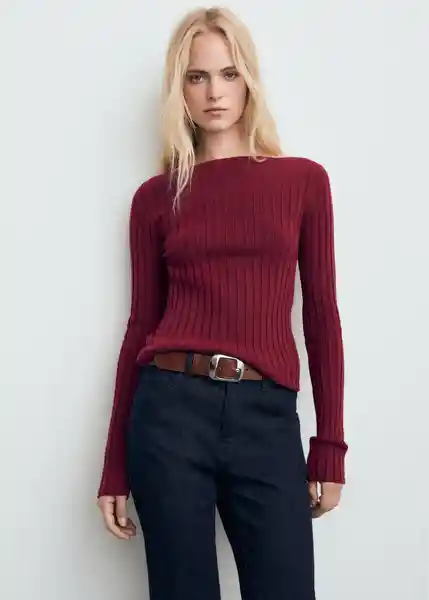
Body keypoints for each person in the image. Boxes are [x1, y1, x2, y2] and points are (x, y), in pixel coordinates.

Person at [96, 5, 348, 599]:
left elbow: (321, 316)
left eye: (229, 74)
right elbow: (140, 326)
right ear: (179, 89)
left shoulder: (302, 182)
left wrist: (330, 448)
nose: (214, 92)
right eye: (198, 77)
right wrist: (114, 465)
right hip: (168, 411)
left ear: (249, 80)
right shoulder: (156, 198)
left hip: (266, 416)